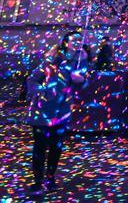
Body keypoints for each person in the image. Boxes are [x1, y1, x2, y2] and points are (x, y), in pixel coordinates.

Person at [26, 31, 88, 195]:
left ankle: (50, 178)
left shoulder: (79, 63)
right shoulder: (50, 60)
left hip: (61, 111)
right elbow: (32, 79)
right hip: (42, 110)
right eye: (74, 39)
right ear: (66, 42)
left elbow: (81, 85)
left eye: (80, 40)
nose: (77, 42)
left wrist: (81, 81)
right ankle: (38, 181)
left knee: (56, 146)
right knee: (40, 146)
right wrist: (40, 91)